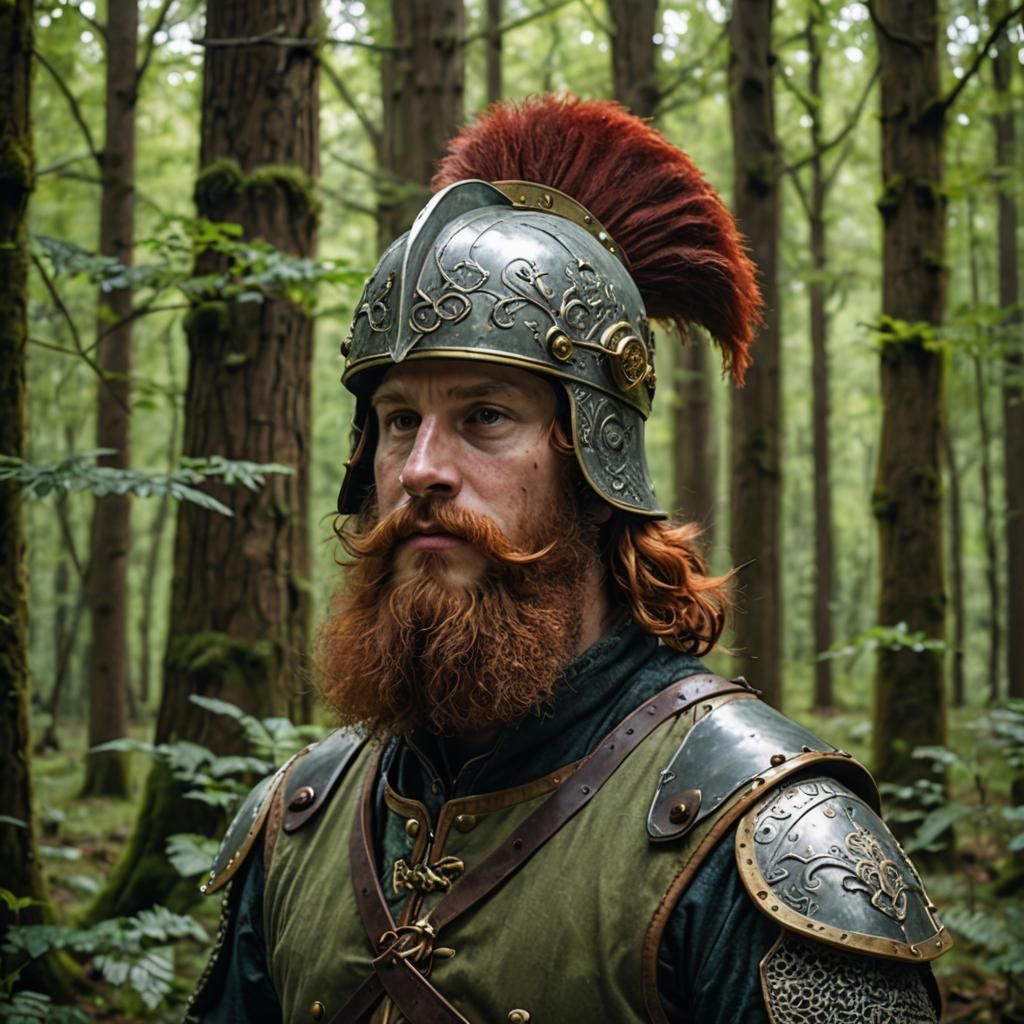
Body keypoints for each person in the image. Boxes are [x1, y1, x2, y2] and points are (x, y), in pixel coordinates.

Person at [187, 95, 949, 1024]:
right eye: (397, 420)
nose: (421, 468)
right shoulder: (296, 822)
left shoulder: (772, 841)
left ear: (595, 462)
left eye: (484, 416)